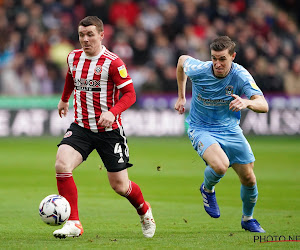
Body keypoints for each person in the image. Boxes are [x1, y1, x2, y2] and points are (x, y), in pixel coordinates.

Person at [53, 16, 156, 239]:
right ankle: (74, 224)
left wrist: (112, 112)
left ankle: (144, 209)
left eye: (90, 34)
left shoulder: (113, 62)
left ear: (101, 35)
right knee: (62, 164)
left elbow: (130, 95)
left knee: (120, 186)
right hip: (81, 127)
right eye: (81, 35)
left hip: (109, 131)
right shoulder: (73, 57)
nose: (85, 39)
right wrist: (64, 99)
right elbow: (71, 77)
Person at [174, 36, 268, 233]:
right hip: (200, 128)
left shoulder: (240, 75)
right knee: (220, 165)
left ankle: (248, 218)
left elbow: (264, 105)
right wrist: (182, 96)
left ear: (233, 57)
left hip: (230, 130)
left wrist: (247, 102)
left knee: (249, 178)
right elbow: (182, 61)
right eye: (214, 58)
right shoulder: (200, 69)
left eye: (222, 59)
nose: (217, 63)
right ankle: (207, 189)